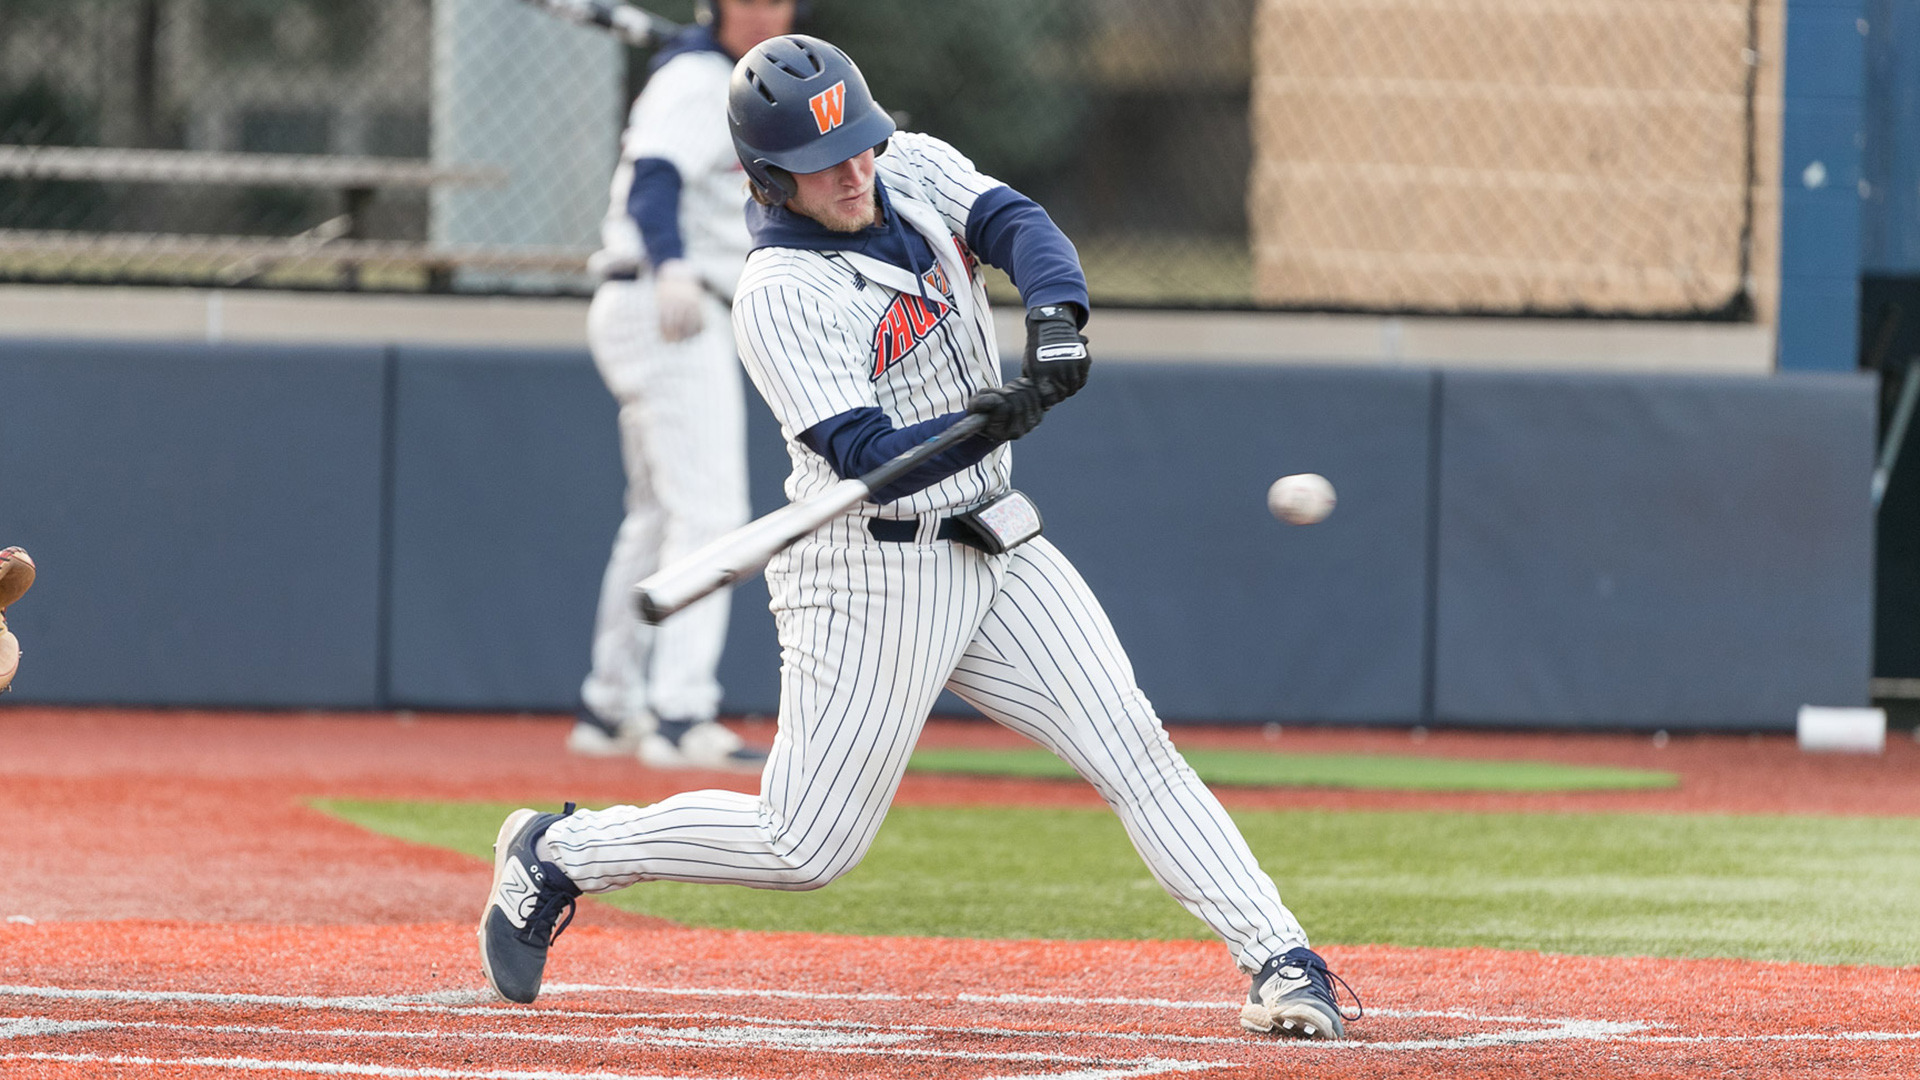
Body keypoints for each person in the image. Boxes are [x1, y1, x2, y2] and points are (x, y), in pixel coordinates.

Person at [484, 35, 1359, 1040]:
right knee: (805, 845)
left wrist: (1059, 320)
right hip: (872, 569)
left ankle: (1283, 961)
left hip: (998, 543)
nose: (855, 170)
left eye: (859, 143)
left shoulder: (899, 164)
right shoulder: (778, 297)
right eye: (826, 165)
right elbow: (868, 455)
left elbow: (1013, 221)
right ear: (768, 178)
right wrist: (989, 418)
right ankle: (562, 854)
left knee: (1135, 749)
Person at [570, 0, 805, 770]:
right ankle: (680, 713)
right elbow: (652, 181)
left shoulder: (726, 76)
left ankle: (612, 705)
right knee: (710, 514)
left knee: (656, 518)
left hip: (662, 303)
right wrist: (670, 262)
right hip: (668, 301)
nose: (767, 13)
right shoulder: (695, 78)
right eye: (749, 1)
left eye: (778, 1)